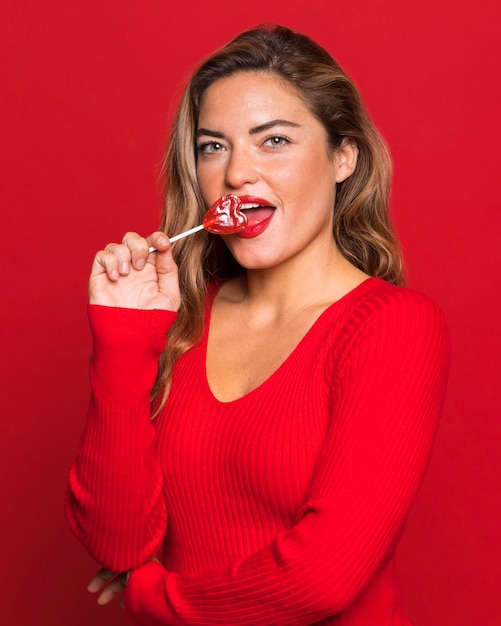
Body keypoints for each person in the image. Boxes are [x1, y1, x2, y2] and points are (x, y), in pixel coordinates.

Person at [65, 23, 450, 625]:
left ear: (343, 157)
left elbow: (322, 580)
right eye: (213, 146)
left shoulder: (392, 327)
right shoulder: (183, 321)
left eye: (273, 141)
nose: (237, 174)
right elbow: (117, 544)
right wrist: (122, 341)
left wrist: (152, 598)